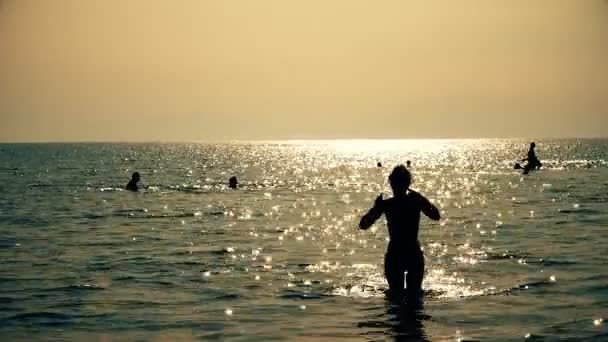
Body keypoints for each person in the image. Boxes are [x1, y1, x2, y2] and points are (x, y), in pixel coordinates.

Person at [359, 165, 440, 300]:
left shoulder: (390, 204)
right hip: (409, 252)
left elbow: (363, 225)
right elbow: (436, 215)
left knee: (396, 299)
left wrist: (375, 208)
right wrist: (423, 199)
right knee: (413, 299)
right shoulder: (409, 202)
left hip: (398, 253)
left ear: (392, 183)